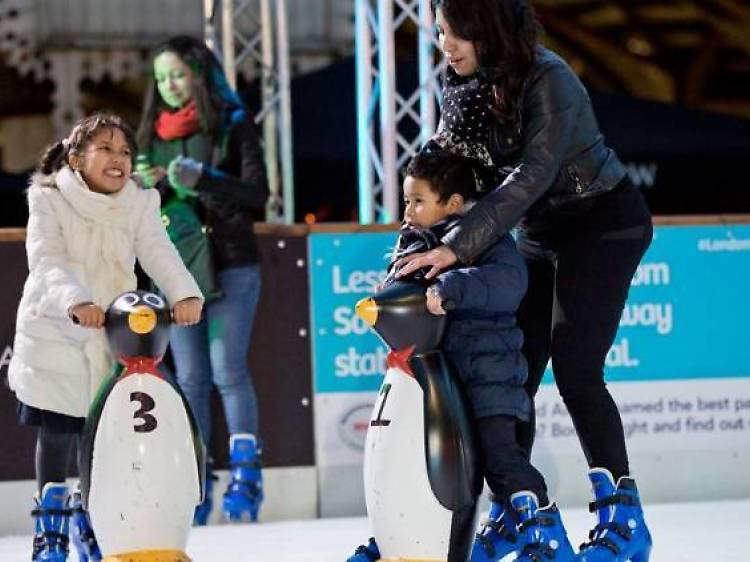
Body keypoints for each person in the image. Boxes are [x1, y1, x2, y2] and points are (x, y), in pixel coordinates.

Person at [395, 2, 654, 561]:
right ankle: (517, 509)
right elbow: (443, 165)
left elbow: (532, 174)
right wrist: (411, 243)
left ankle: (624, 520)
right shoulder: (462, 85)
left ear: (488, 30)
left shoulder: (548, 78)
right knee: (513, 372)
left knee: (577, 369)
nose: (445, 45)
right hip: (539, 233)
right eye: (439, 33)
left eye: (455, 33)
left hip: (601, 223)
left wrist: (456, 246)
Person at [348, 150, 577, 562]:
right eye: (406, 200)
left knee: (501, 462)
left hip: (488, 376)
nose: (408, 211)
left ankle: (546, 536)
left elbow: (507, 282)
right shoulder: (413, 244)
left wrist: (449, 288)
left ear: (453, 203)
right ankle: (397, 538)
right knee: (415, 461)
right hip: (442, 382)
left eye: (419, 201)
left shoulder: (484, 237)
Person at [7, 113, 204, 562]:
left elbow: (157, 249)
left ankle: (93, 521)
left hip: (112, 331)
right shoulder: (49, 198)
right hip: (57, 328)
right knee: (58, 431)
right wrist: (76, 301)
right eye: (106, 149)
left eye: (126, 152)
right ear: (76, 159)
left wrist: (184, 293)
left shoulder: (139, 201)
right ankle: (50, 530)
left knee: (100, 435)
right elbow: (47, 259)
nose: (119, 159)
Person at [135, 35, 269, 524]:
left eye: (177, 74)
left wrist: (204, 179)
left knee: (228, 371)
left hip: (231, 261)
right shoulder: (149, 132)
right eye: (161, 78)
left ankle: (246, 477)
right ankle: (195, 478)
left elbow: (258, 194)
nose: (169, 85)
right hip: (177, 269)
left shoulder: (232, 123)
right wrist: (141, 187)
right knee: (190, 378)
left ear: (198, 74)